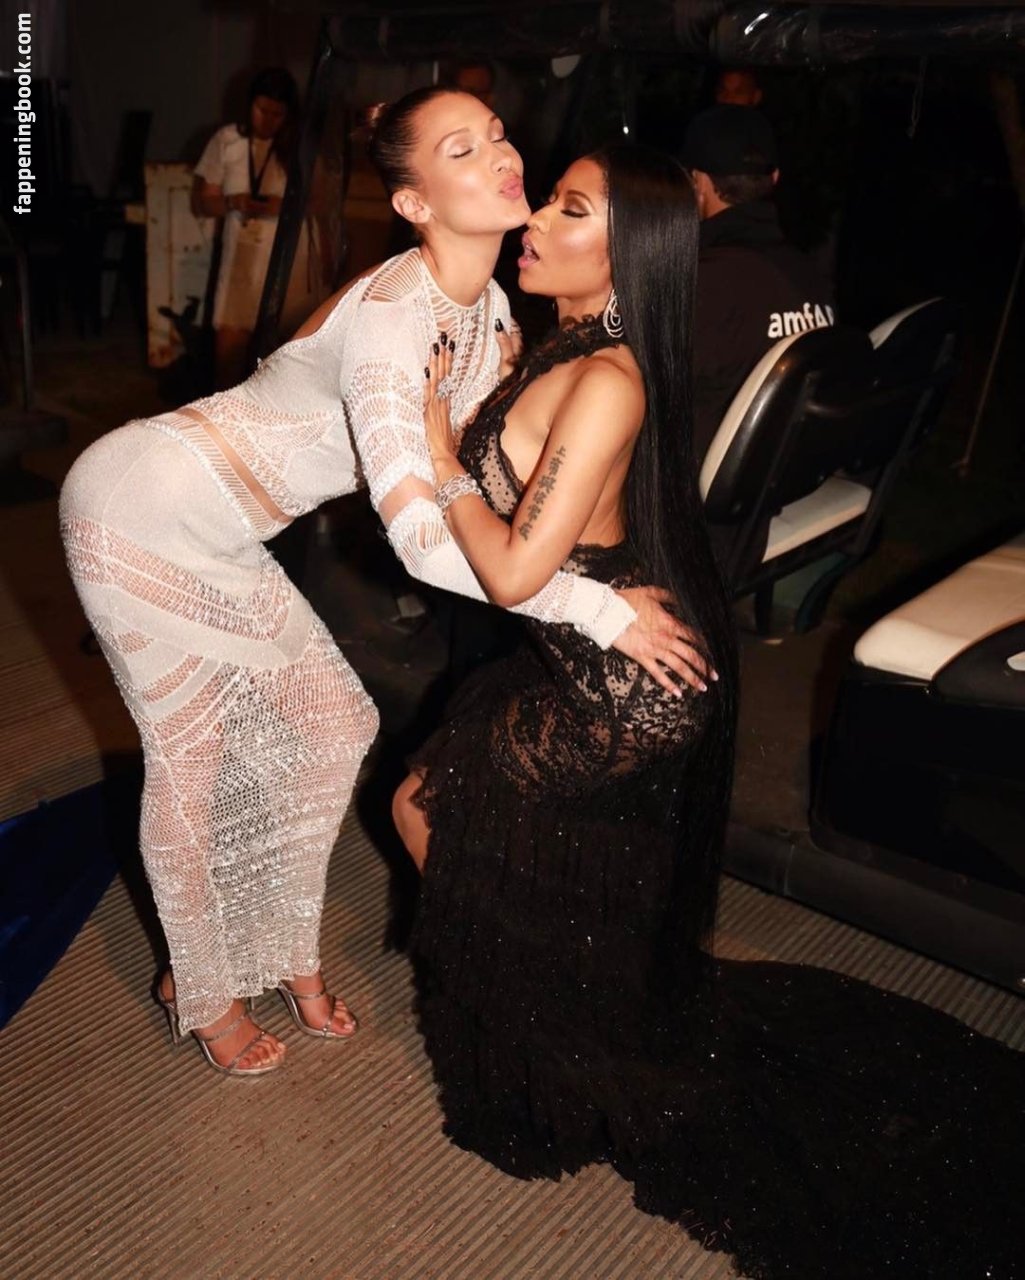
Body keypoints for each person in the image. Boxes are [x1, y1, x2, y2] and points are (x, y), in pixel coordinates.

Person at [392, 144, 1024, 1279]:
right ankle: (559, 1013)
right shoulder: (572, 345)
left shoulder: (607, 378)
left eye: (567, 210)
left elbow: (514, 572)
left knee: (425, 810)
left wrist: (440, 459)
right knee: (452, 819)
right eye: (548, 199)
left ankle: (550, 1051)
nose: (535, 219)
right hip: (590, 655)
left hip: (619, 693)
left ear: (626, 254)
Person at [59, 87, 705, 1077]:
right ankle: (200, 985)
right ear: (413, 203)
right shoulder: (394, 317)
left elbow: (494, 474)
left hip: (231, 532)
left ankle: (278, 949)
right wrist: (595, 608)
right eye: (461, 149)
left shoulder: (491, 309)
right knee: (190, 749)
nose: (501, 156)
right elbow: (421, 538)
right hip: (139, 506)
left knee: (334, 725)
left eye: (496, 134)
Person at [681, 104, 835, 464]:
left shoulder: (704, 279)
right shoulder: (811, 276)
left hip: (703, 483)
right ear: (775, 178)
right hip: (787, 470)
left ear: (697, 182)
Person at [192, 67, 333, 389]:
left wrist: (283, 207)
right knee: (228, 356)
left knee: (284, 358)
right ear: (249, 105)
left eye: (276, 114)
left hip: (287, 261)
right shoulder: (228, 140)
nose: (267, 120)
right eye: (261, 110)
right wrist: (233, 202)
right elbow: (204, 203)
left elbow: (321, 204)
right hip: (241, 257)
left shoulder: (300, 147)